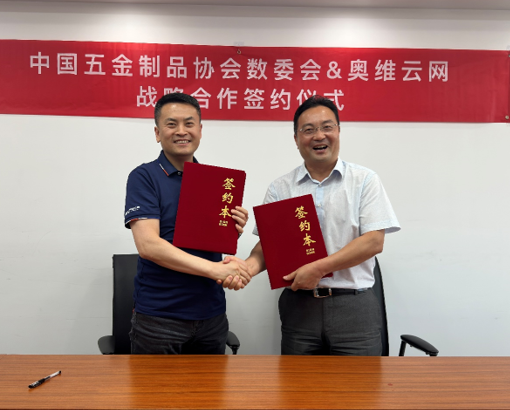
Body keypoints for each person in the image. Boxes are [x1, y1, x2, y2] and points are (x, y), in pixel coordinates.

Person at [243, 95, 400, 355]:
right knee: (298, 382)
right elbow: (269, 246)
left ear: (338, 131)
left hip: (354, 308)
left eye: (327, 127)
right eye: (308, 130)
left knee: (360, 383)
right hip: (300, 307)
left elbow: (374, 241)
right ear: (296, 139)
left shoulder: (364, 180)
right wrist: (245, 268)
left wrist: (318, 268)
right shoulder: (280, 188)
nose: (319, 136)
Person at [124, 92, 251, 355]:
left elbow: (204, 242)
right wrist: (215, 270)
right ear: (158, 133)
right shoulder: (144, 176)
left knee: (210, 385)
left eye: (189, 123)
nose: (182, 131)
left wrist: (231, 231)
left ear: (200, 131)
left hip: (212, 315)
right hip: (160, 318)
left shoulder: (216, 182)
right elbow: (149, 246)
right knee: (154, 386)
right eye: (172, 124)